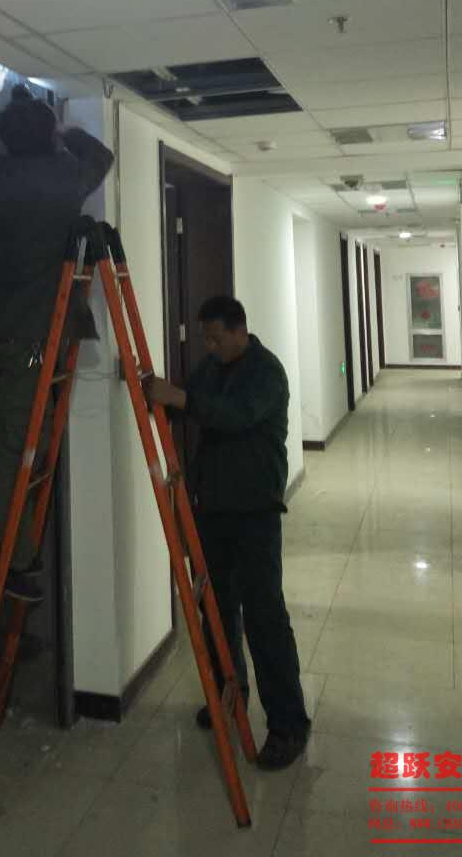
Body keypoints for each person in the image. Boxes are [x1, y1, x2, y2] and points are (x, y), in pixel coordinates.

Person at [143, 295, 311, 770]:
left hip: (255, 510)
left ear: (240, 331)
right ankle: (229, 692)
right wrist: (157, 394)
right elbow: (192, 406)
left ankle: (288, 725)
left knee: (264, 615)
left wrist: (179, 398)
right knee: (216, 608)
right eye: (207, 340)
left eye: (217, 338)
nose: (211, 347)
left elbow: (233, 415)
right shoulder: (211, 369)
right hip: (213, 508)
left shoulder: (266, 373)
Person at [0, 68, 114, 605]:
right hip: (32, 343)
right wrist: (63, 131)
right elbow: (101, 155)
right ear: (48, 136)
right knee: (15, 452)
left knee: (18, 447)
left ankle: (17, 555)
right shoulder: (61, 178)